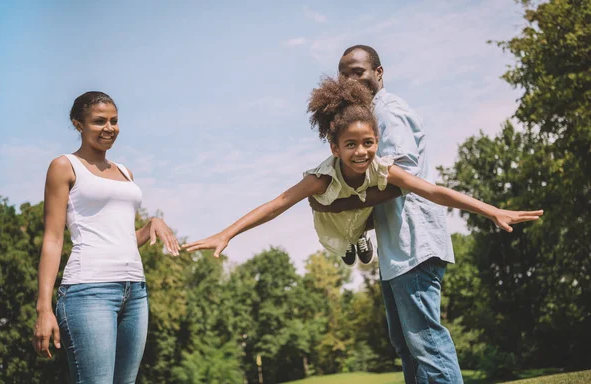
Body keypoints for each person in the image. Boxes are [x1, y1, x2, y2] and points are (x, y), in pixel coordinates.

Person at [182, 78, 542, 297]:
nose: (361, 152)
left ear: (377, 141)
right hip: (336, 227)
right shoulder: (322, 177)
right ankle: (353, 243)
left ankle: (361, 238)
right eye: (350, 145)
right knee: (346, 227)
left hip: (360, 215)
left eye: (368, 142)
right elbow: (278, 204)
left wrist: (492, 209)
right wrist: (227, 233)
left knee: (371, 205)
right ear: (334, 148)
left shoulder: (381, 166)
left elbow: (433, 190)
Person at [310, 44, 509, 383]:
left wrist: (339, 205)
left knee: (426, 344)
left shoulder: (389, 113)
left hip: (414, 243)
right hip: (396, 249)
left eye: (358, 71)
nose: (350, 79)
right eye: (344, 73)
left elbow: (400, 183)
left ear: (379, 73)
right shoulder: (368, 118)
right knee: (407, 347)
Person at [32, 91, 181, 384]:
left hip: (135, 292)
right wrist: (43, 308)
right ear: (79, 124)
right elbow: (52, 239)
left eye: (114, 121)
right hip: (88, 292)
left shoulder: (125, 172)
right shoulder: (64, 166)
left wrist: (151, 224)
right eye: (99, 121)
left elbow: (119, 238)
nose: (109, 128)